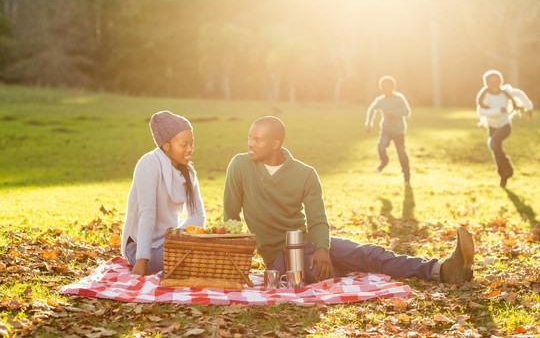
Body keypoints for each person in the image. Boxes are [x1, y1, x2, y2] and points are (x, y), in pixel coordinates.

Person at [223, 116, 475, 285]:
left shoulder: (305, 174)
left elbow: (318, 219)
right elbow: (231, 218)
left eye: (257, 140)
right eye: (250, 138)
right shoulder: (240, 166)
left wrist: (322, 248)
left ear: (275, 143)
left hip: (310, 240)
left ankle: (440, 269)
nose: (250, 144)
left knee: (370, 253)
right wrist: (231, 263)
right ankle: (342, 267)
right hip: (279, 256)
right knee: (325, 272)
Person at [121, 111, 206, 276]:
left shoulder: (189, 173)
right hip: (140, 247)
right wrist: (141, 261)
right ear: (166, 146)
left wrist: (178, 239)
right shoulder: (149, 164)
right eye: (184, 144)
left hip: (169, 241)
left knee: (208, 253)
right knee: (194, 262)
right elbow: (147, 214)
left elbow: (197, 215)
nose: (190, 149)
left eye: (192, 143)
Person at [476, 70, 533, 188]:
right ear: (486, 84)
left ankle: (507, 168)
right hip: (492, 126)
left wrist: (528, 107)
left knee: (493, 143)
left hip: (505, 126)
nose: (494, 85)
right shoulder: (484, 95)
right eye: (491, 82)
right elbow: (481, 111)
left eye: (497, 82)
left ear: (500, 82)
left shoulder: (505, 92)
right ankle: (503, 174)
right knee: (495, 149)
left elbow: (519, 94)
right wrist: (497, 111)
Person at [365, 76, 411, 184]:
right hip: (386, 129)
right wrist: (369, 124)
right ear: (381, 88)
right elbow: (372, 110)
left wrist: (393, 113)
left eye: (389, 87)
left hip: (399, 131)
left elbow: (407, 112)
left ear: (393, 87)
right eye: (384, 87)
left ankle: (406, 176)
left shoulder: (399, 98)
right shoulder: (380, 100)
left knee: (401, 154)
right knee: (381, 147)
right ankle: (384, 161)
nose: (387, 90)